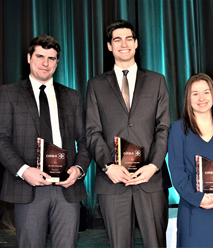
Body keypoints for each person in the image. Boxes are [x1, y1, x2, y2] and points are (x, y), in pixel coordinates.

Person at [0, 35, 90, 248]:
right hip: (28, 188)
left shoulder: (72, 97)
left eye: (52, 58)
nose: (45, 63)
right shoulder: (9, 93)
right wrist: (24, 170)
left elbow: (84, 140)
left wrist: (79, 169)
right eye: (40, 56)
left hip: (67, 188)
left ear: (57, 62)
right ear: (29, 58)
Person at [85, 20, 171, 248]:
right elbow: (92, 131)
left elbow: (163, 128)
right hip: (112, 179)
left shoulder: (156, 81)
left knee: (156, 243)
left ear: (136, 43)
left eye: (128, 38)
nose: (124, 44)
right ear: (109, 46)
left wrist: (153, 165)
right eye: (117, 39)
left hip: (151, 179)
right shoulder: (95, 85)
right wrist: (107, 166)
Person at [168, 73, 213, 247]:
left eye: (206, 92)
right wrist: (197, 198)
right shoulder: (178, 129)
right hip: (193, 209)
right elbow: (177, 169)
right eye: (195, 93)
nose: (201, 98)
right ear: (188, 98)